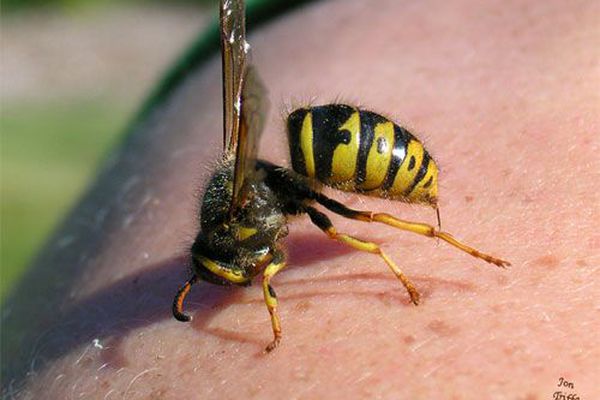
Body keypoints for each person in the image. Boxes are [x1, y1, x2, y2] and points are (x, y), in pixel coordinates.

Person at [3, 0, 598, 398]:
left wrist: (271, 305)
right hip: (319, 146)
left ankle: (450, 248)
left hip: (337, 151)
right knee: (349, 223)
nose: (233, 275)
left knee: (351, 225)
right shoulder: (255, 200)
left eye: (219, 268)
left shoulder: (248, 216)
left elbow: (276, 262)